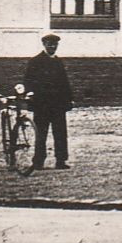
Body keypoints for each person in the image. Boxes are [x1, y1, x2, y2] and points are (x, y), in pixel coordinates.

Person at [23, 33, 74, 170]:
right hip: (42, 105)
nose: (52, 47)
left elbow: (64, 83)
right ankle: (38, 161)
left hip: (58, 105)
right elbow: (28, 82)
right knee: (41, 134)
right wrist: (32, 100)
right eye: (50, 44)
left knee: (60, 133)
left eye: (55, 45)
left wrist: (69, 100)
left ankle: (61, 160)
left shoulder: (58, 62)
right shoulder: (35, 62)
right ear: (44, 45)